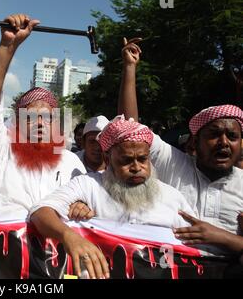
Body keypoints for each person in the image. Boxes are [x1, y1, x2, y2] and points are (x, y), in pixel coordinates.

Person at [117, 37, 243, 255]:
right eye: (214, 135)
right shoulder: (174, 164)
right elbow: (131, 129)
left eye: (231, 136)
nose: (223, 142)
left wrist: (222, 237)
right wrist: (129, 68)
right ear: (194, 142)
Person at [30, 116, 197, 279]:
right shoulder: (89, 185)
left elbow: (197, 248)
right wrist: (69, 237)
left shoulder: (172, 197)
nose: (136, 167)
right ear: (107, 159)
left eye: (142, 159)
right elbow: (40, 212)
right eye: (126, 161)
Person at [0, 13, 86, 219]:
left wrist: (82, 206)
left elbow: (86, 202)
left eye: (47, 117)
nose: (39, 123)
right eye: (30, 117)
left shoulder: (71, 163)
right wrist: (7, 46)